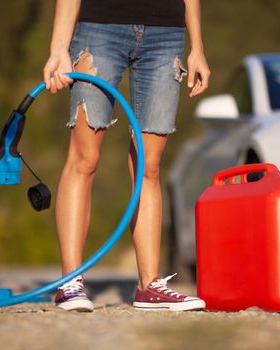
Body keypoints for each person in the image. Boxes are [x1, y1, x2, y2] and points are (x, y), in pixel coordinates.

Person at [43, 0, 210, 312]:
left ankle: (150, 286)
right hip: (100, 29)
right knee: (85, 158)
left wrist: (197, 46)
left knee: (149, 164)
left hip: (166, 34)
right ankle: (70, 282)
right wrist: (58, 47)